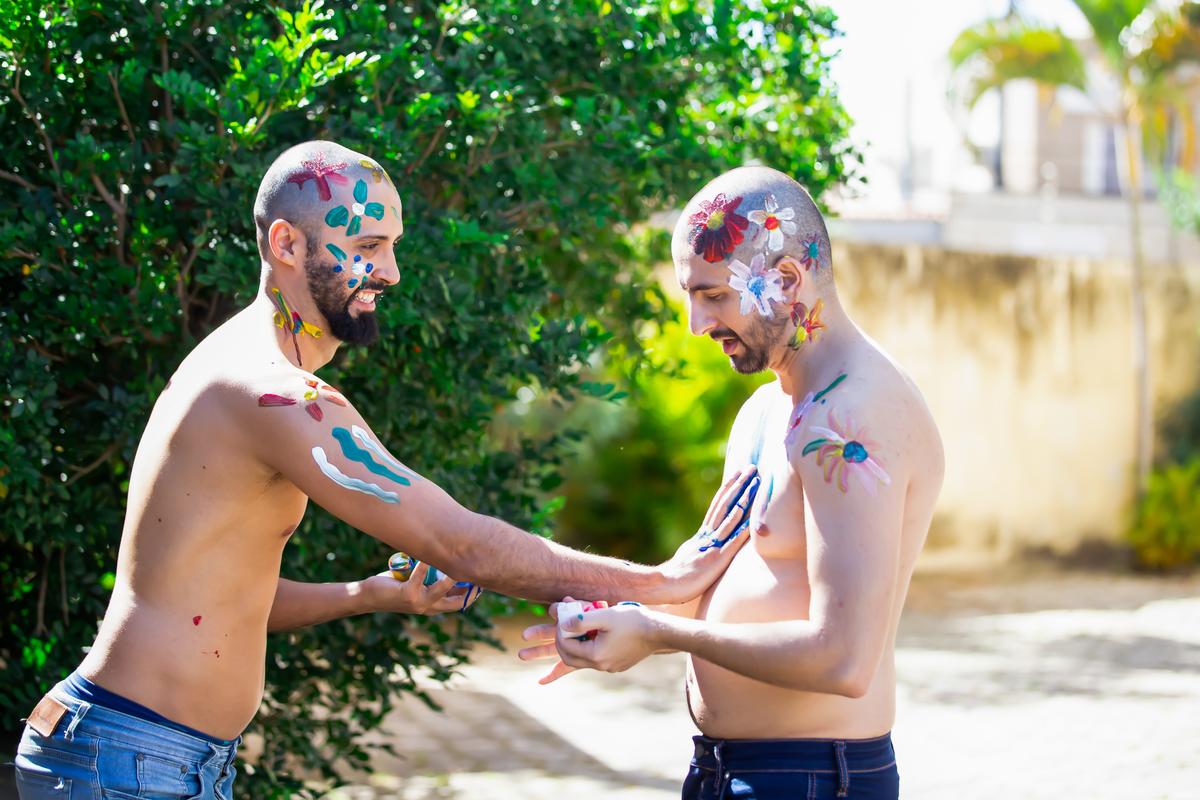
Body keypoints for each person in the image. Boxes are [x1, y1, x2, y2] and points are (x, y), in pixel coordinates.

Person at [13, 141, 756, 800]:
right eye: (370, 244)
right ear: (287, 244)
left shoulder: (244, 372)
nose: (392, 272)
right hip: (126, 760)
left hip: (145, 755)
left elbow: (219, 598)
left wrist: (369, 594)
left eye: (395, 245)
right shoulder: (269, 393)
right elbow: (457, 542)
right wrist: (661, 583)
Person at [519, 166, 944, 800]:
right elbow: (734, 590)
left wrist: (661, 634)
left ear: (788, 279)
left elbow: (844, 658)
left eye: (714, 294)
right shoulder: (767, 410)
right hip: (724, 768)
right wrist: (624, 619)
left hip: (814, 777)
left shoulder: (856, 415)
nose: (695, 322)